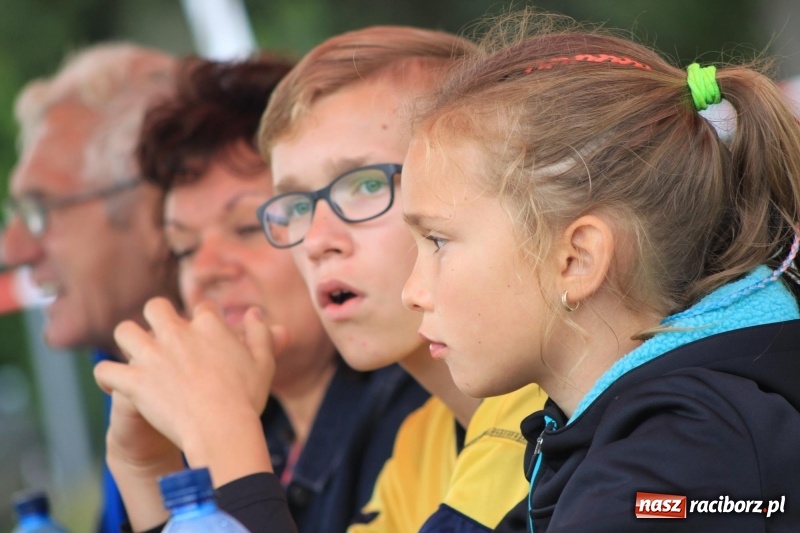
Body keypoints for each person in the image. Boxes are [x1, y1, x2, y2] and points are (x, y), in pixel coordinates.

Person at [96, 25, 544, 533]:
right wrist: (150, 471)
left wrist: (224, 437)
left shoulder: (551, 414)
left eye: (364, 185)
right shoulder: (424, 440)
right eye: (295, 207)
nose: (315, 240)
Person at [399, 12, 800, 532]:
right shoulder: (620, 437)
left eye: (437, 241)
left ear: (577, 260)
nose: (412, 293)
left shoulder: (677, 464)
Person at [104, 54, 427, 533]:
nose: (206, 272)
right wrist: (149, 470)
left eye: (248, 227)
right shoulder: (264, 431)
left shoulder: (423, 405)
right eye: (184, 248)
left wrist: (222, 431)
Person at [2, 44, 180, 533]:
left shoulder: (259, 394)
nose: (12, 249)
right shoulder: (120, 367)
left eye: (42, 208)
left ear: (153, 209)